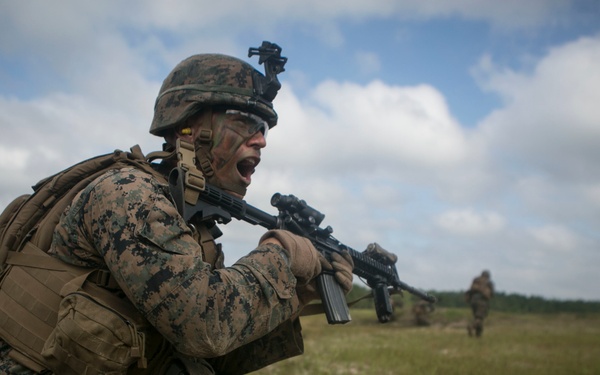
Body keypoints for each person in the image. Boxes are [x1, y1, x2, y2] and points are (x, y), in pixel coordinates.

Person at [0, 42, 354, 374]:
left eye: (262, 128)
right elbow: (204, 325)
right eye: (244, 122)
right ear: (188, 128)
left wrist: (297, 294)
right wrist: (281, 255)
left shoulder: (188, 223)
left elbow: (214, 354)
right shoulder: (129, 195)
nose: (261, 139)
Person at [465, 270, 494, 337]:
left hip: (473, 300)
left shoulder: (476, 280)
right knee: (479, 318)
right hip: (482, 301)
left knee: (477, 318)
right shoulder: (488, 283)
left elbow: (470, 290)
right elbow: (491, 294)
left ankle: (478, 336)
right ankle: (471, 327)